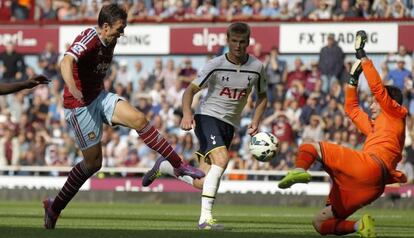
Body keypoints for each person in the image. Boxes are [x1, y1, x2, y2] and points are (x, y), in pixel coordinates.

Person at [42, 4, 204, 229]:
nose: (122, 33)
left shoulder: (111, 38)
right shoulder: (89, 37)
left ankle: (178, 165)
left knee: (140, 119)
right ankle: (54, 207)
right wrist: (72, 87)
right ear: (105, 27)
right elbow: (66, 61)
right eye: (120, 28)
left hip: (99, 97)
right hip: (79, 106)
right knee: (93, 164)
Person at [278, 30, 408, 238]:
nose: (372, 105)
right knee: (320, 223)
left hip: (368, 167)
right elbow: (352, 110)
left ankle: (299, 170)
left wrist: (362, 55)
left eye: (375, 102)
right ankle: (360, 227)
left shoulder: (395, 112)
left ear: (388, 102)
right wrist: (352, 80)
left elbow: (377, 88)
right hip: (373, 186)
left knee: (310, 146)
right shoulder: (379, 126)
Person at [141, 22, 268, 230]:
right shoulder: (215, 64)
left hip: (229, 125)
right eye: (234, 41)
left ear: (248, 42)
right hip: (207, 116)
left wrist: (256, 120)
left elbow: (263, 96)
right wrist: (187, 113)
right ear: (227, 41)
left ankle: (164, 166)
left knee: (202, 181)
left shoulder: (257, 68)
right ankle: (205, 219)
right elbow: (189, 91)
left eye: (242, 42)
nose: (237, 46)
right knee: (222, 159)